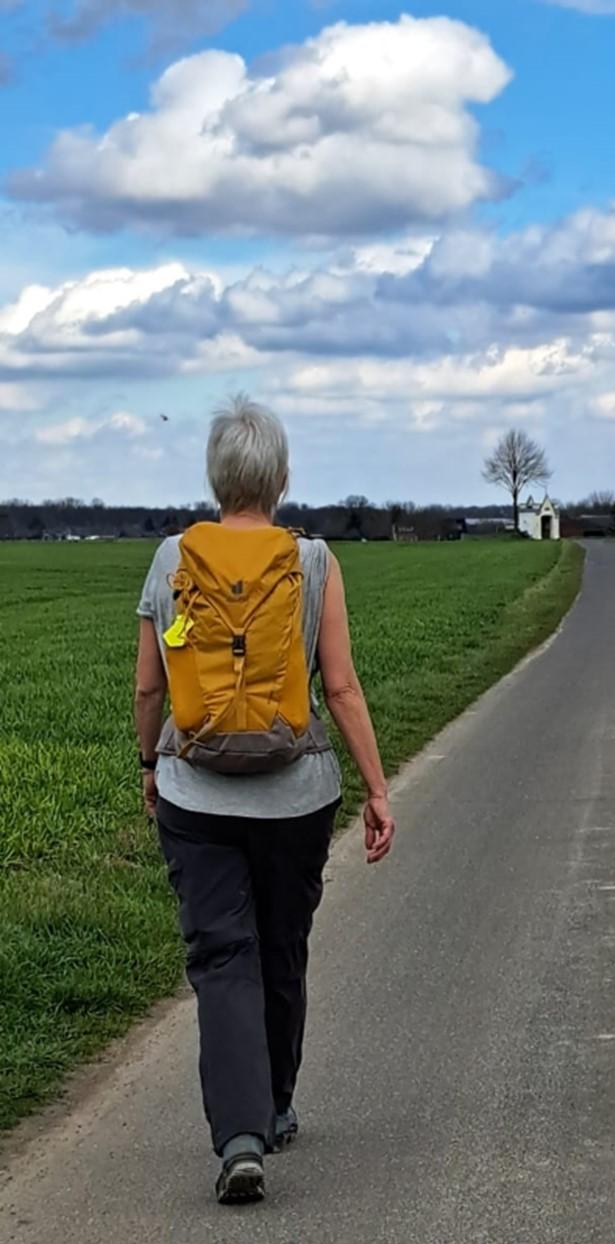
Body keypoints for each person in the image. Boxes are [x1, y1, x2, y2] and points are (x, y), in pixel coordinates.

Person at [135, 396, 395, 1203]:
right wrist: (378, 790)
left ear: (216, 478)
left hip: (195, 792)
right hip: (296, 796)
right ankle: (276, 1106)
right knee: (280, 948)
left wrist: (150, 765)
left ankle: (239, 1133)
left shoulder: (172, 557)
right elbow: (341, 687)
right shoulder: (313, 561)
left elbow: (150, 685)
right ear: (280, 479)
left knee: (222, 958)